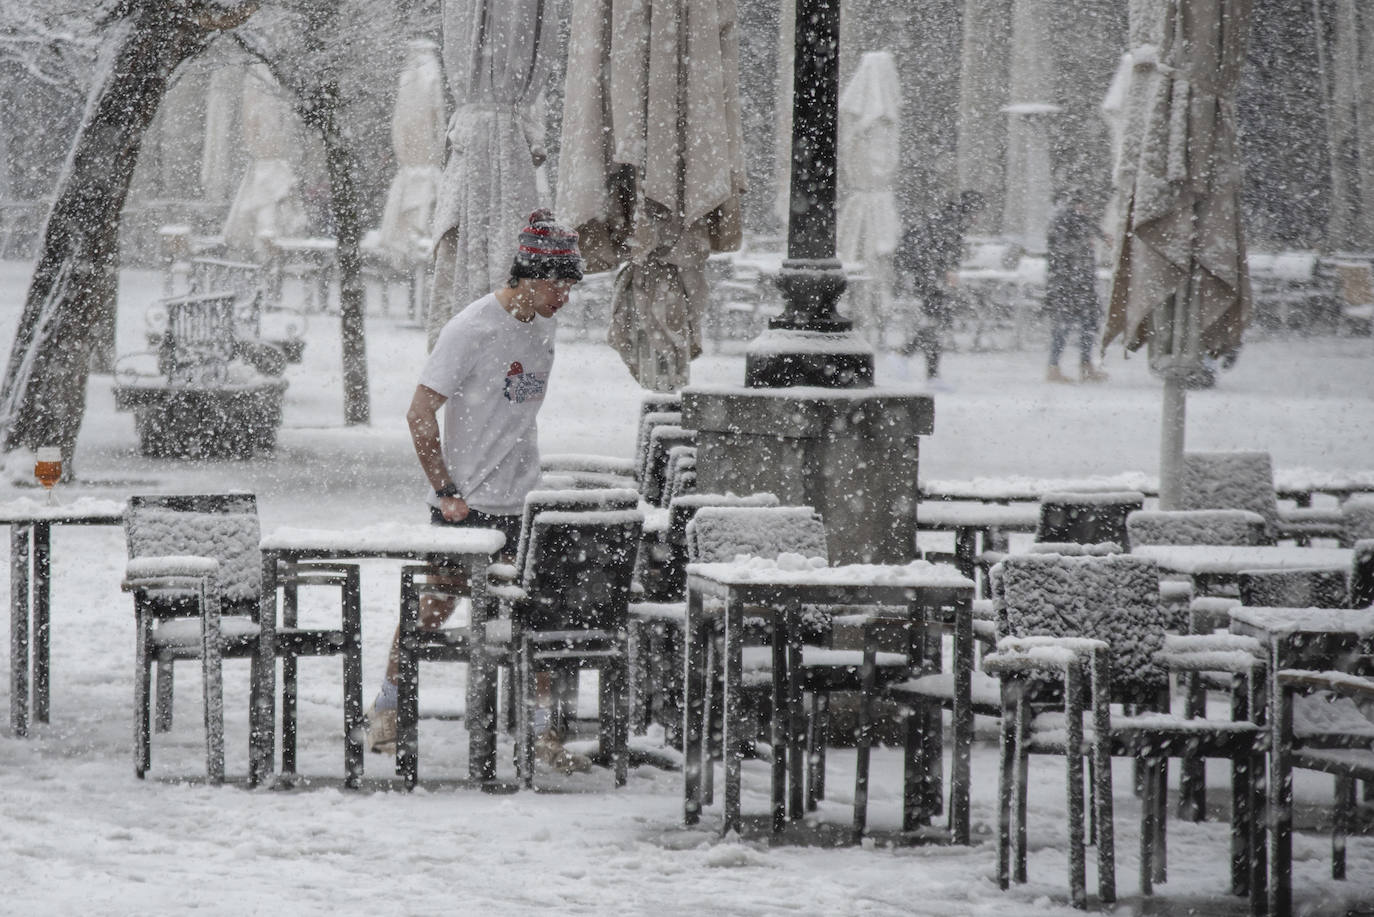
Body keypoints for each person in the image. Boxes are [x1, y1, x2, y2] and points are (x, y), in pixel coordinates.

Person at [365, 209, 589, 773]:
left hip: (526, 505)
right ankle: (387, 709)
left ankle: (541, 735)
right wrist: (445, 490)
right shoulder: (471, 328)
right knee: (433, 609)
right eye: (555, 284)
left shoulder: (544, 325)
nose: (563, 297)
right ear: (526, 275)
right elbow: (419, 412)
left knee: (535, 618)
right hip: (470, 507)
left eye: (570, 286)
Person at [893, 190, 986, 386]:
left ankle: (912, 359)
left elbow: (939, 251)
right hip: (931, 280)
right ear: (971, 210)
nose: (980, 217)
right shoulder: (951, 223)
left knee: (936, 323)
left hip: (929, 279)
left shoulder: (948, 219)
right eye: (979, 211)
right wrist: (945, 273)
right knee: (936, 323)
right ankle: (922, 368)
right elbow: (938, 252)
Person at [1045, 192, 1109, 383]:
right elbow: (1065, 252)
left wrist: (1098, 236)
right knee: (1068, 325)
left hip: (1075, 283)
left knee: (1084, 323)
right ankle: (1059, 367)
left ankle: (1081, 366)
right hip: (1071, 283)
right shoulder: (1068, 221)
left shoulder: (1072, 221)